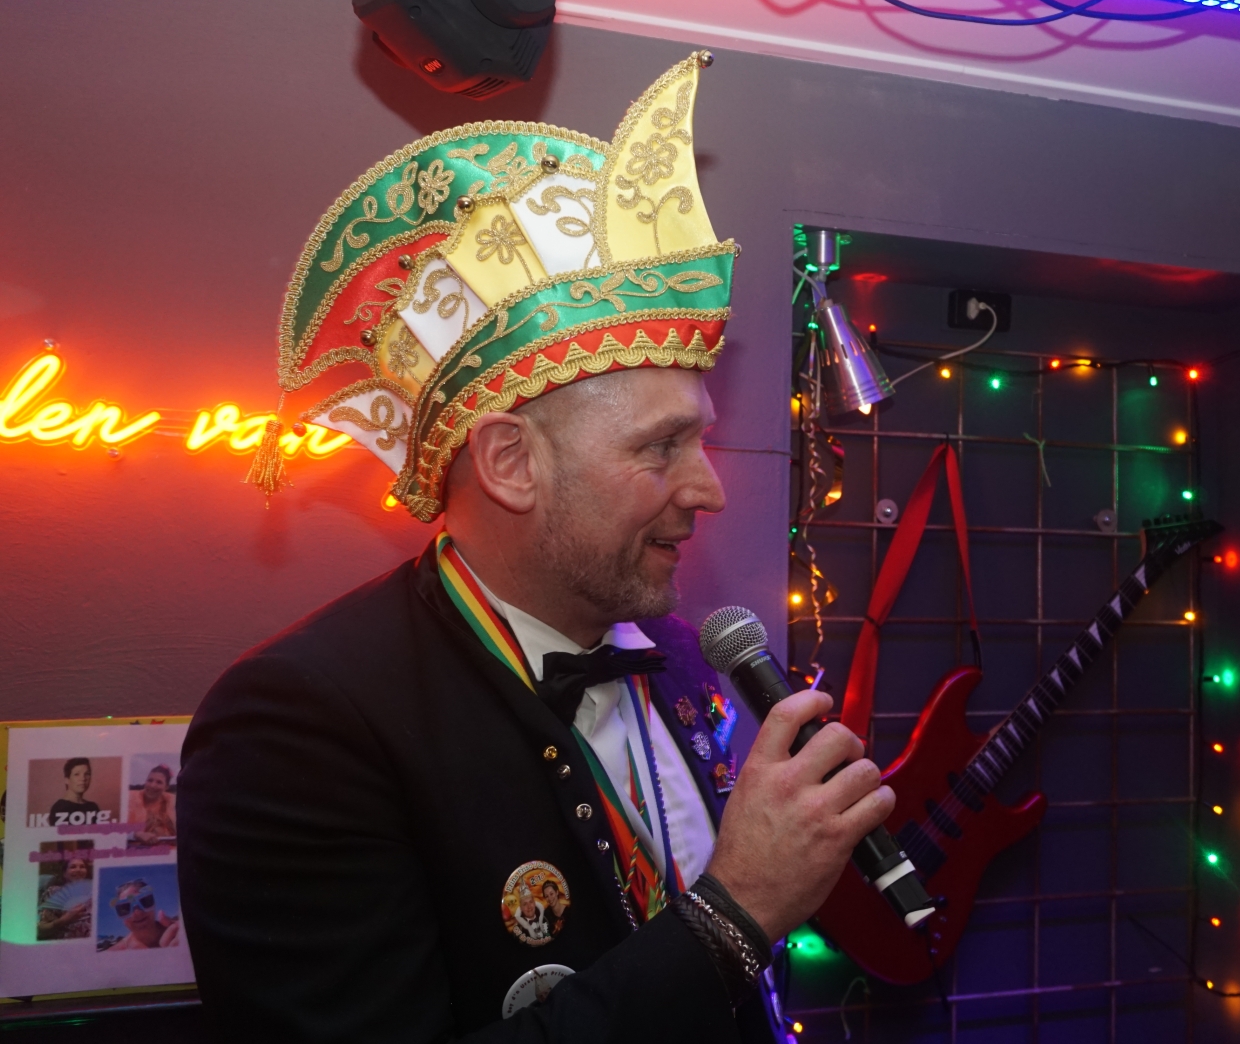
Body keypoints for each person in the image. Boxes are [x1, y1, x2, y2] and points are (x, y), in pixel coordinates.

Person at [178, 52, 895, 1044]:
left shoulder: (678, 657)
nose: (711, 489)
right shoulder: (301, 727)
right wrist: (738, 916)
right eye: (661, 446)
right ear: (511, 462)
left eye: (702, 440)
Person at [102, 878, 182, 951]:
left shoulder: (179, 932)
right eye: (125, 908)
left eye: (144, 901)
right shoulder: (112, 955)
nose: (137, 912)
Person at [36, 854, 93, 940]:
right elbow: (40, 930)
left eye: (82, 867)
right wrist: (65, 920)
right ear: (64, 874)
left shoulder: (94, 892)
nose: (78, 870)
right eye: (73, 867)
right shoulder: (54, 892)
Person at [127, 765, 176, 847]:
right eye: (150, 780)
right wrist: (135, 834)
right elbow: (112, 831)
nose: (152, 785)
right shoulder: (129, 798)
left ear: (166, 787)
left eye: (159, 782)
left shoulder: (174, 801)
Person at [48, 758, 105, 827]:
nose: (83, 778)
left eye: (87, 774)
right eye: (77, 774)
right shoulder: (59, 808)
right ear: (67, 780)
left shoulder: (93, 807)